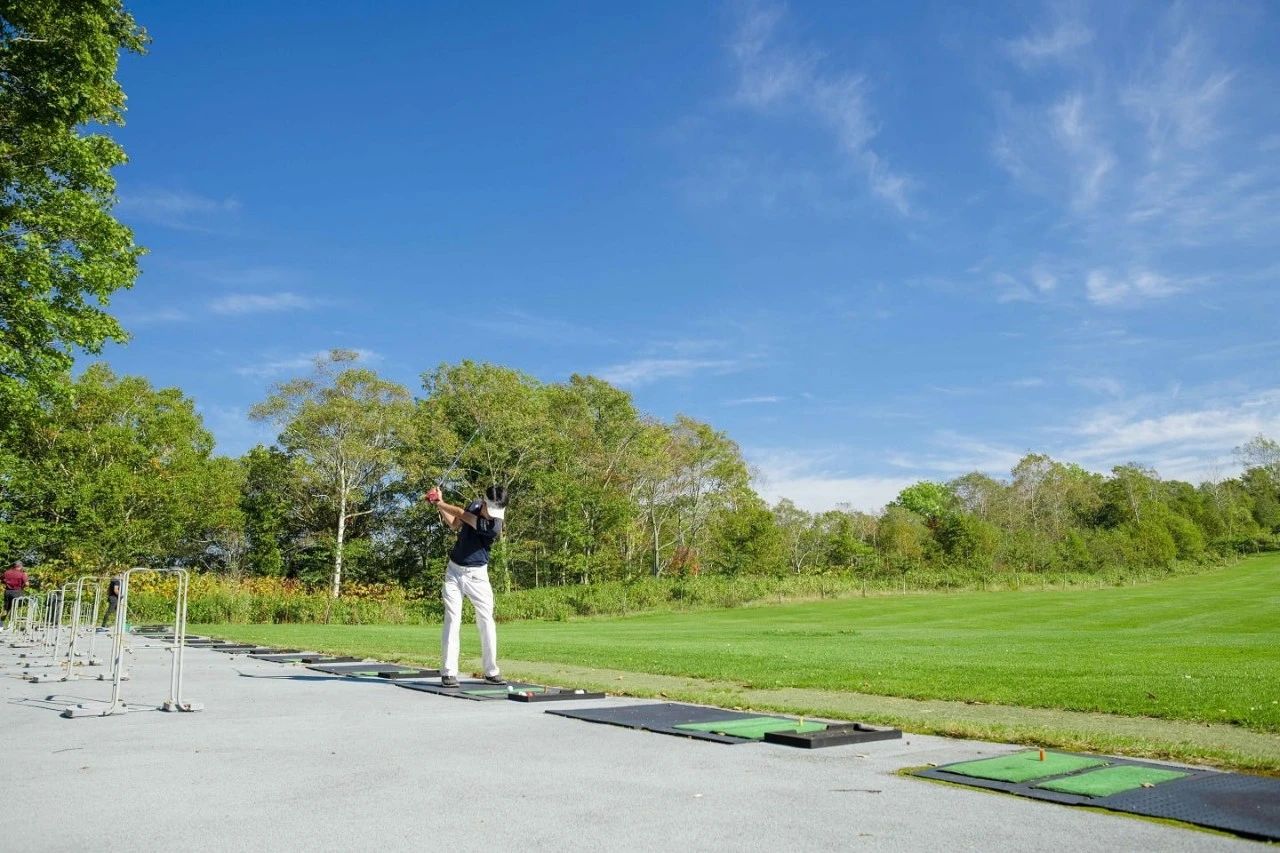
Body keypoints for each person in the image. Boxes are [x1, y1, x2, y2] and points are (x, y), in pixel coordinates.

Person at [423, 484, 508, 688]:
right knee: (452, 619)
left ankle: (491, 671)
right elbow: (454, 523)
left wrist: (439, 501)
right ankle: (449, 672)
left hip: (477, 576)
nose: (493, 514)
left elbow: (462, 514)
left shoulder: (494, 526)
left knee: (486, 621)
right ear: (484, 502)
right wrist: (439, 505)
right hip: (454, 571)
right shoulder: (476, 504)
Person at [2, 561, 28, 631]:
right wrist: (23, 586)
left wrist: (7, 584)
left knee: (6, 609)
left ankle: (0, 626)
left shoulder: (6, 572)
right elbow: (27, 584)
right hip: (17, 592)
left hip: (7, 592)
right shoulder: (22, 574)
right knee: (15, 608)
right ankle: (11, 625)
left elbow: (2, 580)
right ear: (20, 566)